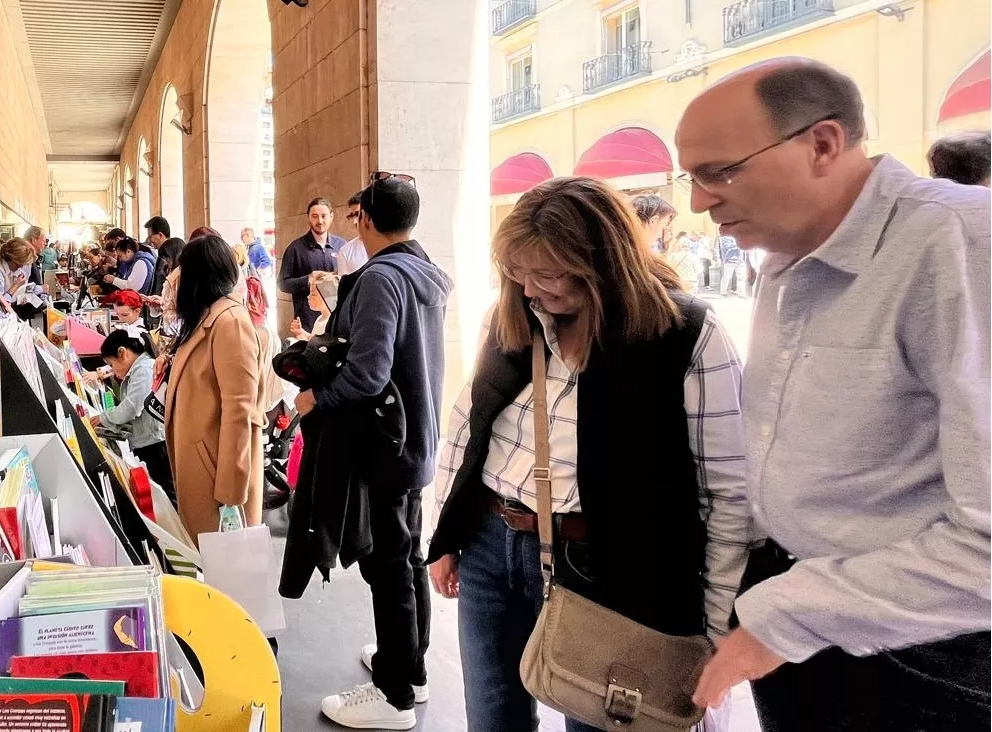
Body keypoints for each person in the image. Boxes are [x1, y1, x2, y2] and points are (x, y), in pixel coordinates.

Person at [676, 57, 990, 730]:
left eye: (718, 171)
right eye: (690, 177)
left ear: (821, 144)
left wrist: (784, 617)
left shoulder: (962, 243)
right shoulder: (783, 259)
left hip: (921, 651)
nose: (697, 202)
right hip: (807, 615)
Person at [424, 177, 750, 732]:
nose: (529, 290)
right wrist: (446, 534)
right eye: (517, 273)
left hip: (611, 566)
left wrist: (715, 629)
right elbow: (468, 426)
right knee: (491, 717)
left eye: (547, 274)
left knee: (600, 722)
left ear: (602, 262)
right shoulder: (512, 317)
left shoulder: (685, 333)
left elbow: (728, 493)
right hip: (490, 544)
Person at [297, 174, 453, 730]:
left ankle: (394, 697)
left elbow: (367, 373)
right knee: (406, 556)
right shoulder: (421, 270)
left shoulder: (382, 277)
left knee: (388, 563)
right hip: (415, 437)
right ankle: (409, 665)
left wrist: (316, 396)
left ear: (363, 218)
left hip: (386, 443)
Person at [163, 234, 266, 540]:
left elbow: (240, 410)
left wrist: (231, 489)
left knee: (225, 569)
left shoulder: (230, 322)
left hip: (218, 480)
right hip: (204, 465)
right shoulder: (208, 316)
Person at [98, 326, 174, 506]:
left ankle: (181, 530)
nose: (112, 370)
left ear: (122, 353)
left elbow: (132, 408)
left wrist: (104, 418)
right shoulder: (140, 369)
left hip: (155, 444)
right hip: (149, 441)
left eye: (111, 364)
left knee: (168, 492)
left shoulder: (144, 370)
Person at [279, 197, 345, 333]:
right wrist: (308, 279)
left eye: (323, 216)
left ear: (331, 216)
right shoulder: (295, 248)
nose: (319, 221)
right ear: (308, 218)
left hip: (336, 319)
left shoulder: (342, 246)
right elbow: (283, 283)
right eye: (315, 216)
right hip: (307, 321)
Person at [289, 271, 338, 340]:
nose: (308, 297)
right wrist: (301, 332)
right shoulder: (320, 318)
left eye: (313, 294)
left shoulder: (331, 324)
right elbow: (313, 339)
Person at [336, 192, 369, 275]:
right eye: (352, 216)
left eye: (358, 214)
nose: (355, 221)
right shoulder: (345, 251)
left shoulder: (389, 246)